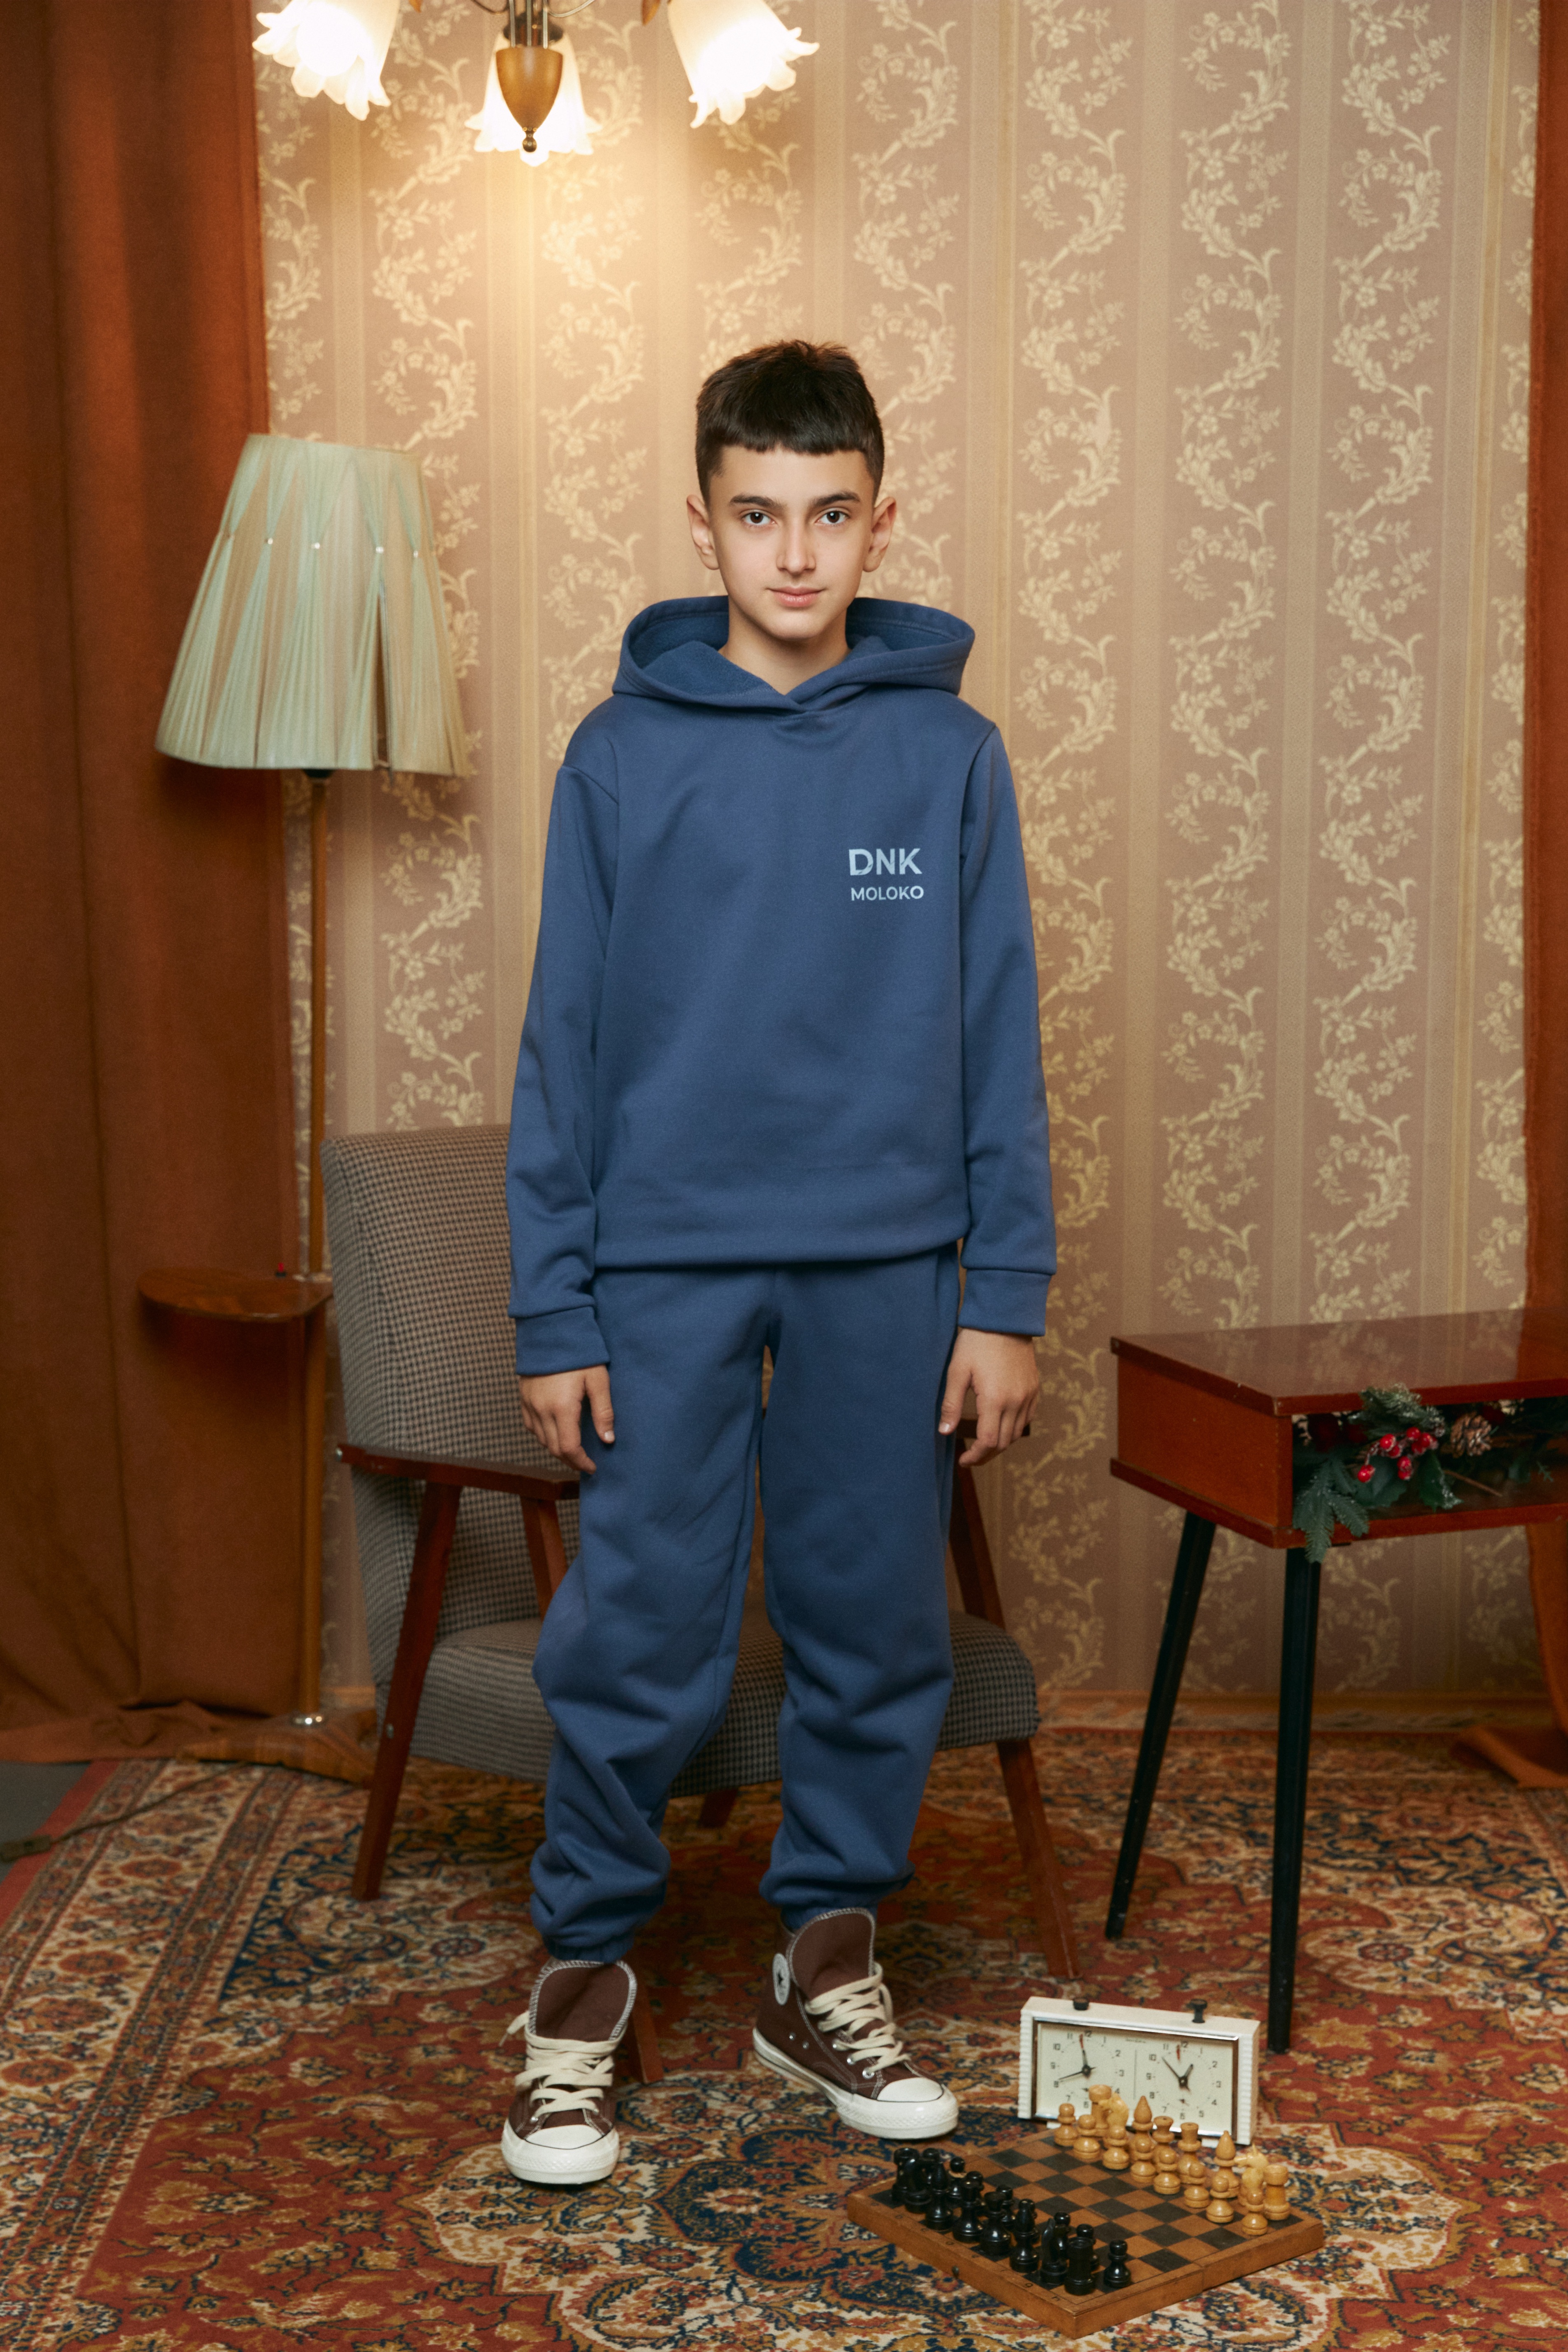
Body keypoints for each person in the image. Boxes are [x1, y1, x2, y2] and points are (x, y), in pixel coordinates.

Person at [502, 340, 1055, 2186]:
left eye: (830, 516)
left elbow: (997, 1037)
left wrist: (1003, 1298)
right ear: (705, 522)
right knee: (637, 1628)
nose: (796, 554)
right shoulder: (620, 754)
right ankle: (583, 1979)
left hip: (887, 1272)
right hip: (658, 1272)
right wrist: (555, 1305)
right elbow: (563, 1047)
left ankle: (823, 1963)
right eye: (759, 516)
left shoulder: (948, 753)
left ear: (880, 521)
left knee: (874, 1621)